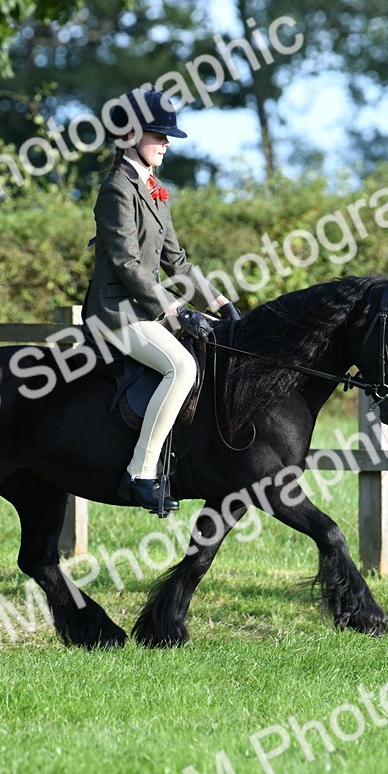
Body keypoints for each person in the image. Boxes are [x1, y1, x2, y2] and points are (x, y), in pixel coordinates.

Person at [83, 89, 240, 514]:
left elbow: (178, 262)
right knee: (182, 366)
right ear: (131, 135)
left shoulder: (154, 189)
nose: (167, 144)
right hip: (115, 315)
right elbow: (126, 262)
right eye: (159, 136)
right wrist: (174, 309)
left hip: (144, 311)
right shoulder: (117, 188)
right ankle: (140, 472)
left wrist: (222, 303)